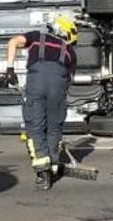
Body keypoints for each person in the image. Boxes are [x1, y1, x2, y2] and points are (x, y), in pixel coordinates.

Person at [5, 16, 78, 191]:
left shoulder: (37, 37)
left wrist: (9, 69)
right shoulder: (70, 51)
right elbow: (70, 79)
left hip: (37, 84)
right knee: (54, 127)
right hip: (58, 88)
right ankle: (53, 166)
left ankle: (43, 172)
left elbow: (13, 42)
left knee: (35, 127)